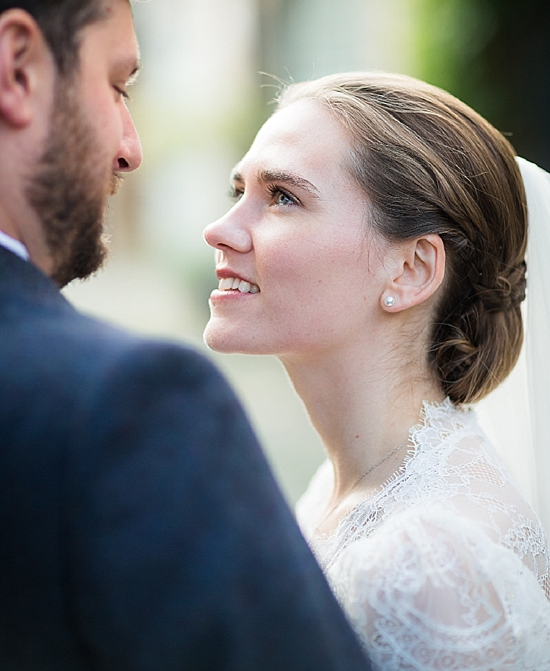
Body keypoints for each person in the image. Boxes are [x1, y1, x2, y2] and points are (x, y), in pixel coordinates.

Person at [0, 0, 373, 669]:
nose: (130, 150)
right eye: (118, 83)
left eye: (283, 195)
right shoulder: (122, 408)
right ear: (18, 68)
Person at [204, 70, 550, 669]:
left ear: (411, 270)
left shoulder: (428, 565)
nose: (222, 228)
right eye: (239, 191)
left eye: (282, 196)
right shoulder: (338, 491)